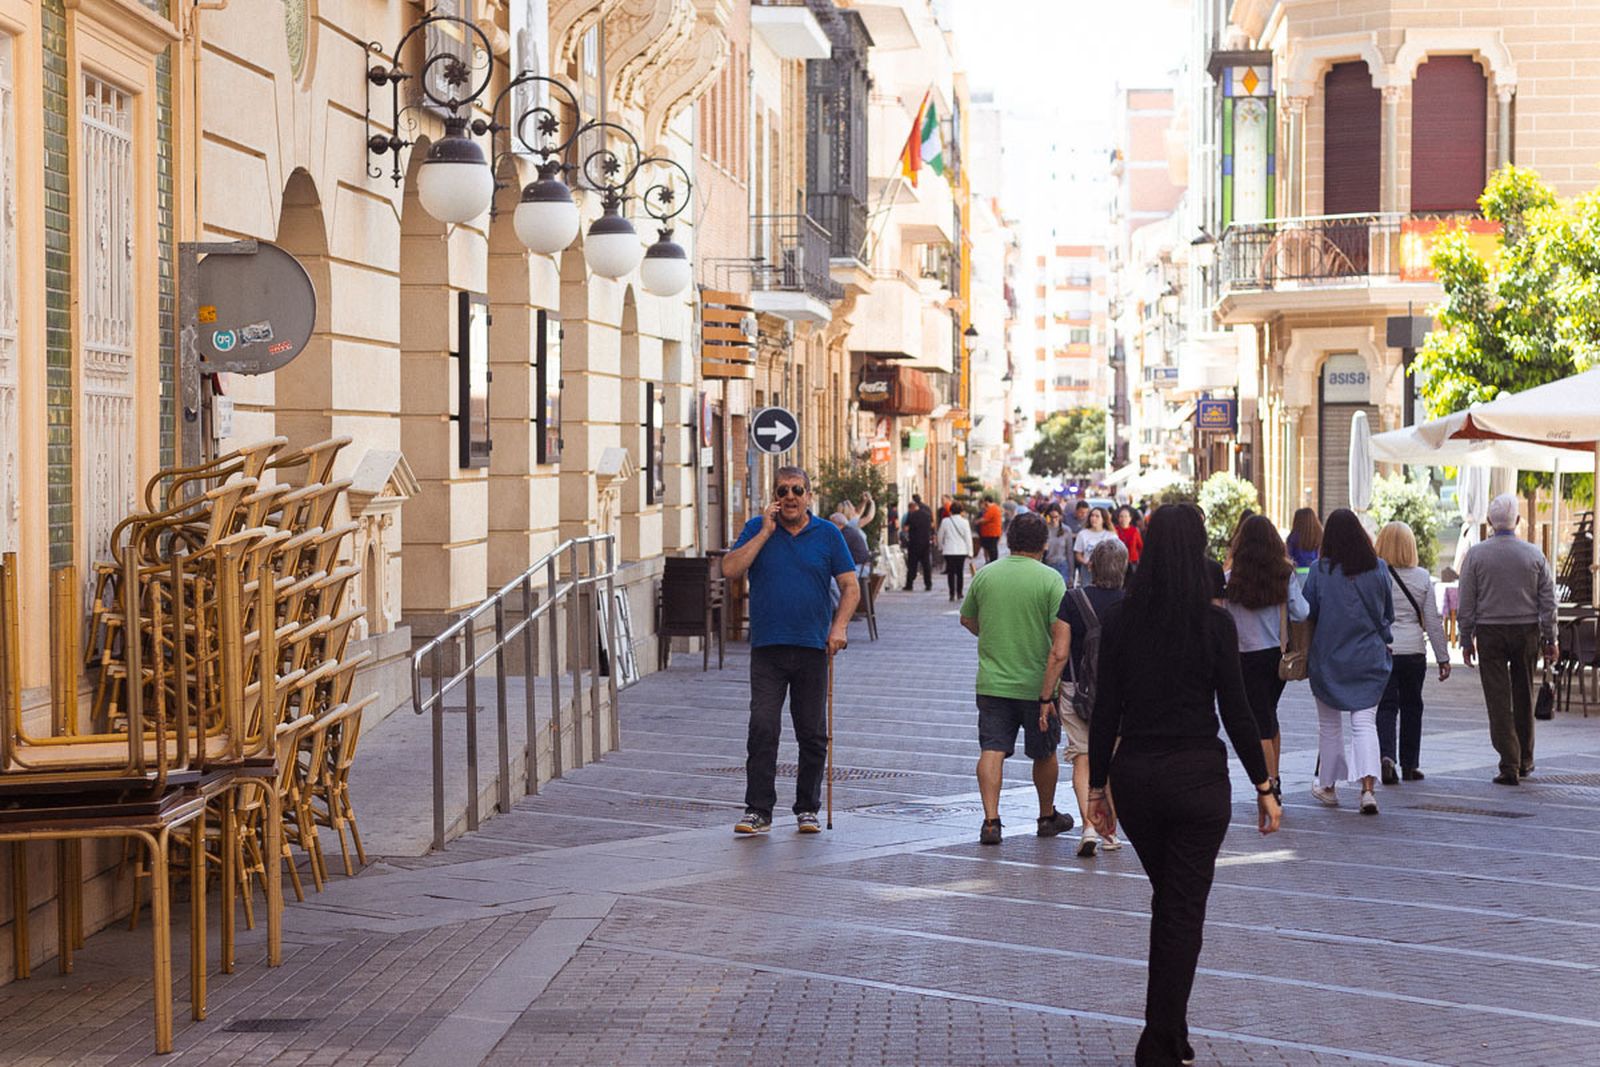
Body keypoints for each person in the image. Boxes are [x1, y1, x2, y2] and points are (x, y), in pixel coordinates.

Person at [1086, 504, 1279, 1066]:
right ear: (1197, 548)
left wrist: (1098, 789)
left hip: (1139, 780)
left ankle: (1170, 1032)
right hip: (1198, 780)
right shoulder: (1214, 625)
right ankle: (1159, 1041)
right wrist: (1264, 785)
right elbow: (1239, 712)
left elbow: (1105, 714)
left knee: (1171, 902)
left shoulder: (1120, 620)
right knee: (1181, 909)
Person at [720, 467, 859, 835]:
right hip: (768, 647)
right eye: (784, 490)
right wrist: (766, 532)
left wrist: (839, 625)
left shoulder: (828, 534)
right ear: (775, 496)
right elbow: (730, 568)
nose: (791, 496)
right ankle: (758, 810)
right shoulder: (756, 528)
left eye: (798, 490)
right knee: (762, 727)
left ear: (809, 496)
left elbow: (850, 586)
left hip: (813, 647)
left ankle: (807, 808)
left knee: (811, 732)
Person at [959, 512, 1075, 845]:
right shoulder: (1051, 580)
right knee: (1044, 752)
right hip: (1039, 684)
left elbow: (967, 619)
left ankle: (991, 821)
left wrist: (991, 632)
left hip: (993, 681)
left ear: (1010, 540)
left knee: (992, 749)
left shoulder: (986, 574)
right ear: (1043, 543)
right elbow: (1060, 636)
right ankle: (1046, 815)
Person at [1458, 493, 1558, 785]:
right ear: (1517, 521)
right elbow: (1548, 601)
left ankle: (1509, 763)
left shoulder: (1476, 555)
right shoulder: (1534, 555)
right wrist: (1551, 637)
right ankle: (1526, 758)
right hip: (1526, 630)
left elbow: (1467, 601)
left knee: (1498, 699)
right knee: (1524, 692)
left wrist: (1466, 638)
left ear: (1489, 521)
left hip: (1490, 632)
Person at [1303, 508, 1393, 814]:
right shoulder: (1379, 568)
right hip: (1369, 658)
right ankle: (1368, 790)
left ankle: (1328, 786)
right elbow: (1387, 614)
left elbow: (1307, 612)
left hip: (1328, 659)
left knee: (1329, 727)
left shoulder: (1318, 571)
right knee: (1364, 724)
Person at [1044, 538, 1128, 857]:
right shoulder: (1134, 601)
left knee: (1082, 756)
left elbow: (1059, 652)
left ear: (1090, 566)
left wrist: (1044, 696)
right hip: (1121, 694)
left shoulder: (1073, 599)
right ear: (1124, 568)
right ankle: (1110, 832)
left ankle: (1089, 827)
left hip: (1077, 690)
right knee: (1113, 761)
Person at [1224, 515, 1309, 798]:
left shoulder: (1231, 578)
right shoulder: (1284, 574)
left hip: (1243, 656)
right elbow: (1303, 612)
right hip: (1276, 656)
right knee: (1268, 716)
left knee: (1259, 722)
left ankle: (1270, 785)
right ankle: (1275, 778)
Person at [1375, 522, 1451, 784]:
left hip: (1386, 649)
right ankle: (1410, 764)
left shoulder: (1377, 575)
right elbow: (1432, 620)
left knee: (1386, 706)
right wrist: (1443, 656)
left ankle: (1386, 758)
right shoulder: (1421, 577)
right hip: (1414, 652)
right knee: (1412, 706)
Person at [937, 500, 975, 602]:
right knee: (959, 572)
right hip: (961, 551)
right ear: (961, 511)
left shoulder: (945, 521)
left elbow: (940, 535)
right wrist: (970, 552)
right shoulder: (965, 522)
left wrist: (941, 547)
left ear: (951, 511)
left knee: (950, 572)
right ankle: (959, 592)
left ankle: (951, 593)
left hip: (949, 550)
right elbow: (968, 538)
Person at [1073, 507, 1117, 588]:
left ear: (1103, 519)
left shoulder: (1111, 535)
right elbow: (1078, 554)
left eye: (1097, 516)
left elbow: (1115, 555)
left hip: (1104, 572)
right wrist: (1086, 562)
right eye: (1092, 516)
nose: (1093, 518)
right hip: (1087, 571)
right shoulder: (1083, 534)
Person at [902, 497, 935, 591]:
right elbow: (932, 526)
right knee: (926, 565)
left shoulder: (911, 516)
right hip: (925, 543)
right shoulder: (927, 515)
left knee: (912, 565)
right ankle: (928, 584)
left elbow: (905, 528)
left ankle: (909, 584)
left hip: (914, 543)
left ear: (911, 508)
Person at [1043, 507, 1074, 584]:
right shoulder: (1043, 529)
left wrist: (1071, 574)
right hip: (1047, 564)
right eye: (1051, 517)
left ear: (1060, 516)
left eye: (1056, 517)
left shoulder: (1066, 530)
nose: (1053, 519)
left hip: (1061, 565)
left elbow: (1069, 552)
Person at [1115, 505, 1144, 574]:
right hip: (1118, 562)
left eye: (1126, 516)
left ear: (1130, 518)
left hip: (1132, 562)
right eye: (1121, 516)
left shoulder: (1134, 531)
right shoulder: (1114, 530)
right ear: (1118, 518)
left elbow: (1140, 546)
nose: (1123, 518)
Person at [975, 495, 1004, 565]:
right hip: (991, 533)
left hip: (992, 533)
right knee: (991, 548)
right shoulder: (994, 508)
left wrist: (977, 521)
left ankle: (993, 563)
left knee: (992, 549)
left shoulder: (992, 508)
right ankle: (992, 562)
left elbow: (985, 519)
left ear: (987, 502)